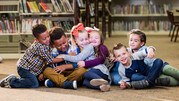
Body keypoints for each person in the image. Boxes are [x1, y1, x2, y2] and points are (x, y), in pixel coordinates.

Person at [0, 24, 63, 88]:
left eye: (48, 36)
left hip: (34, 70)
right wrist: (64, 58)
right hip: (24, 69)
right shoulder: (40, 47)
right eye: (44, 39)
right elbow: (51, 60)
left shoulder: (45, 44)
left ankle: (24, 80)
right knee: (34, 84)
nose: (47, 40)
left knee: (40, 81)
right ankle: (11, 81)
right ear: (37, 40)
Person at [58, 23, 111, 92]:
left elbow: (78, 59)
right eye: (82, 40)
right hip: (95, 73)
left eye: (86, 39)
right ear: (75, 41)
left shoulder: (89, 47)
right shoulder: (80, 48)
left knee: (86, 73)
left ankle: (102, 81)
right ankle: (103, 87)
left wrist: (64, 56)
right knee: (85, 82)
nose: (85, 42)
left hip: (100, 71)